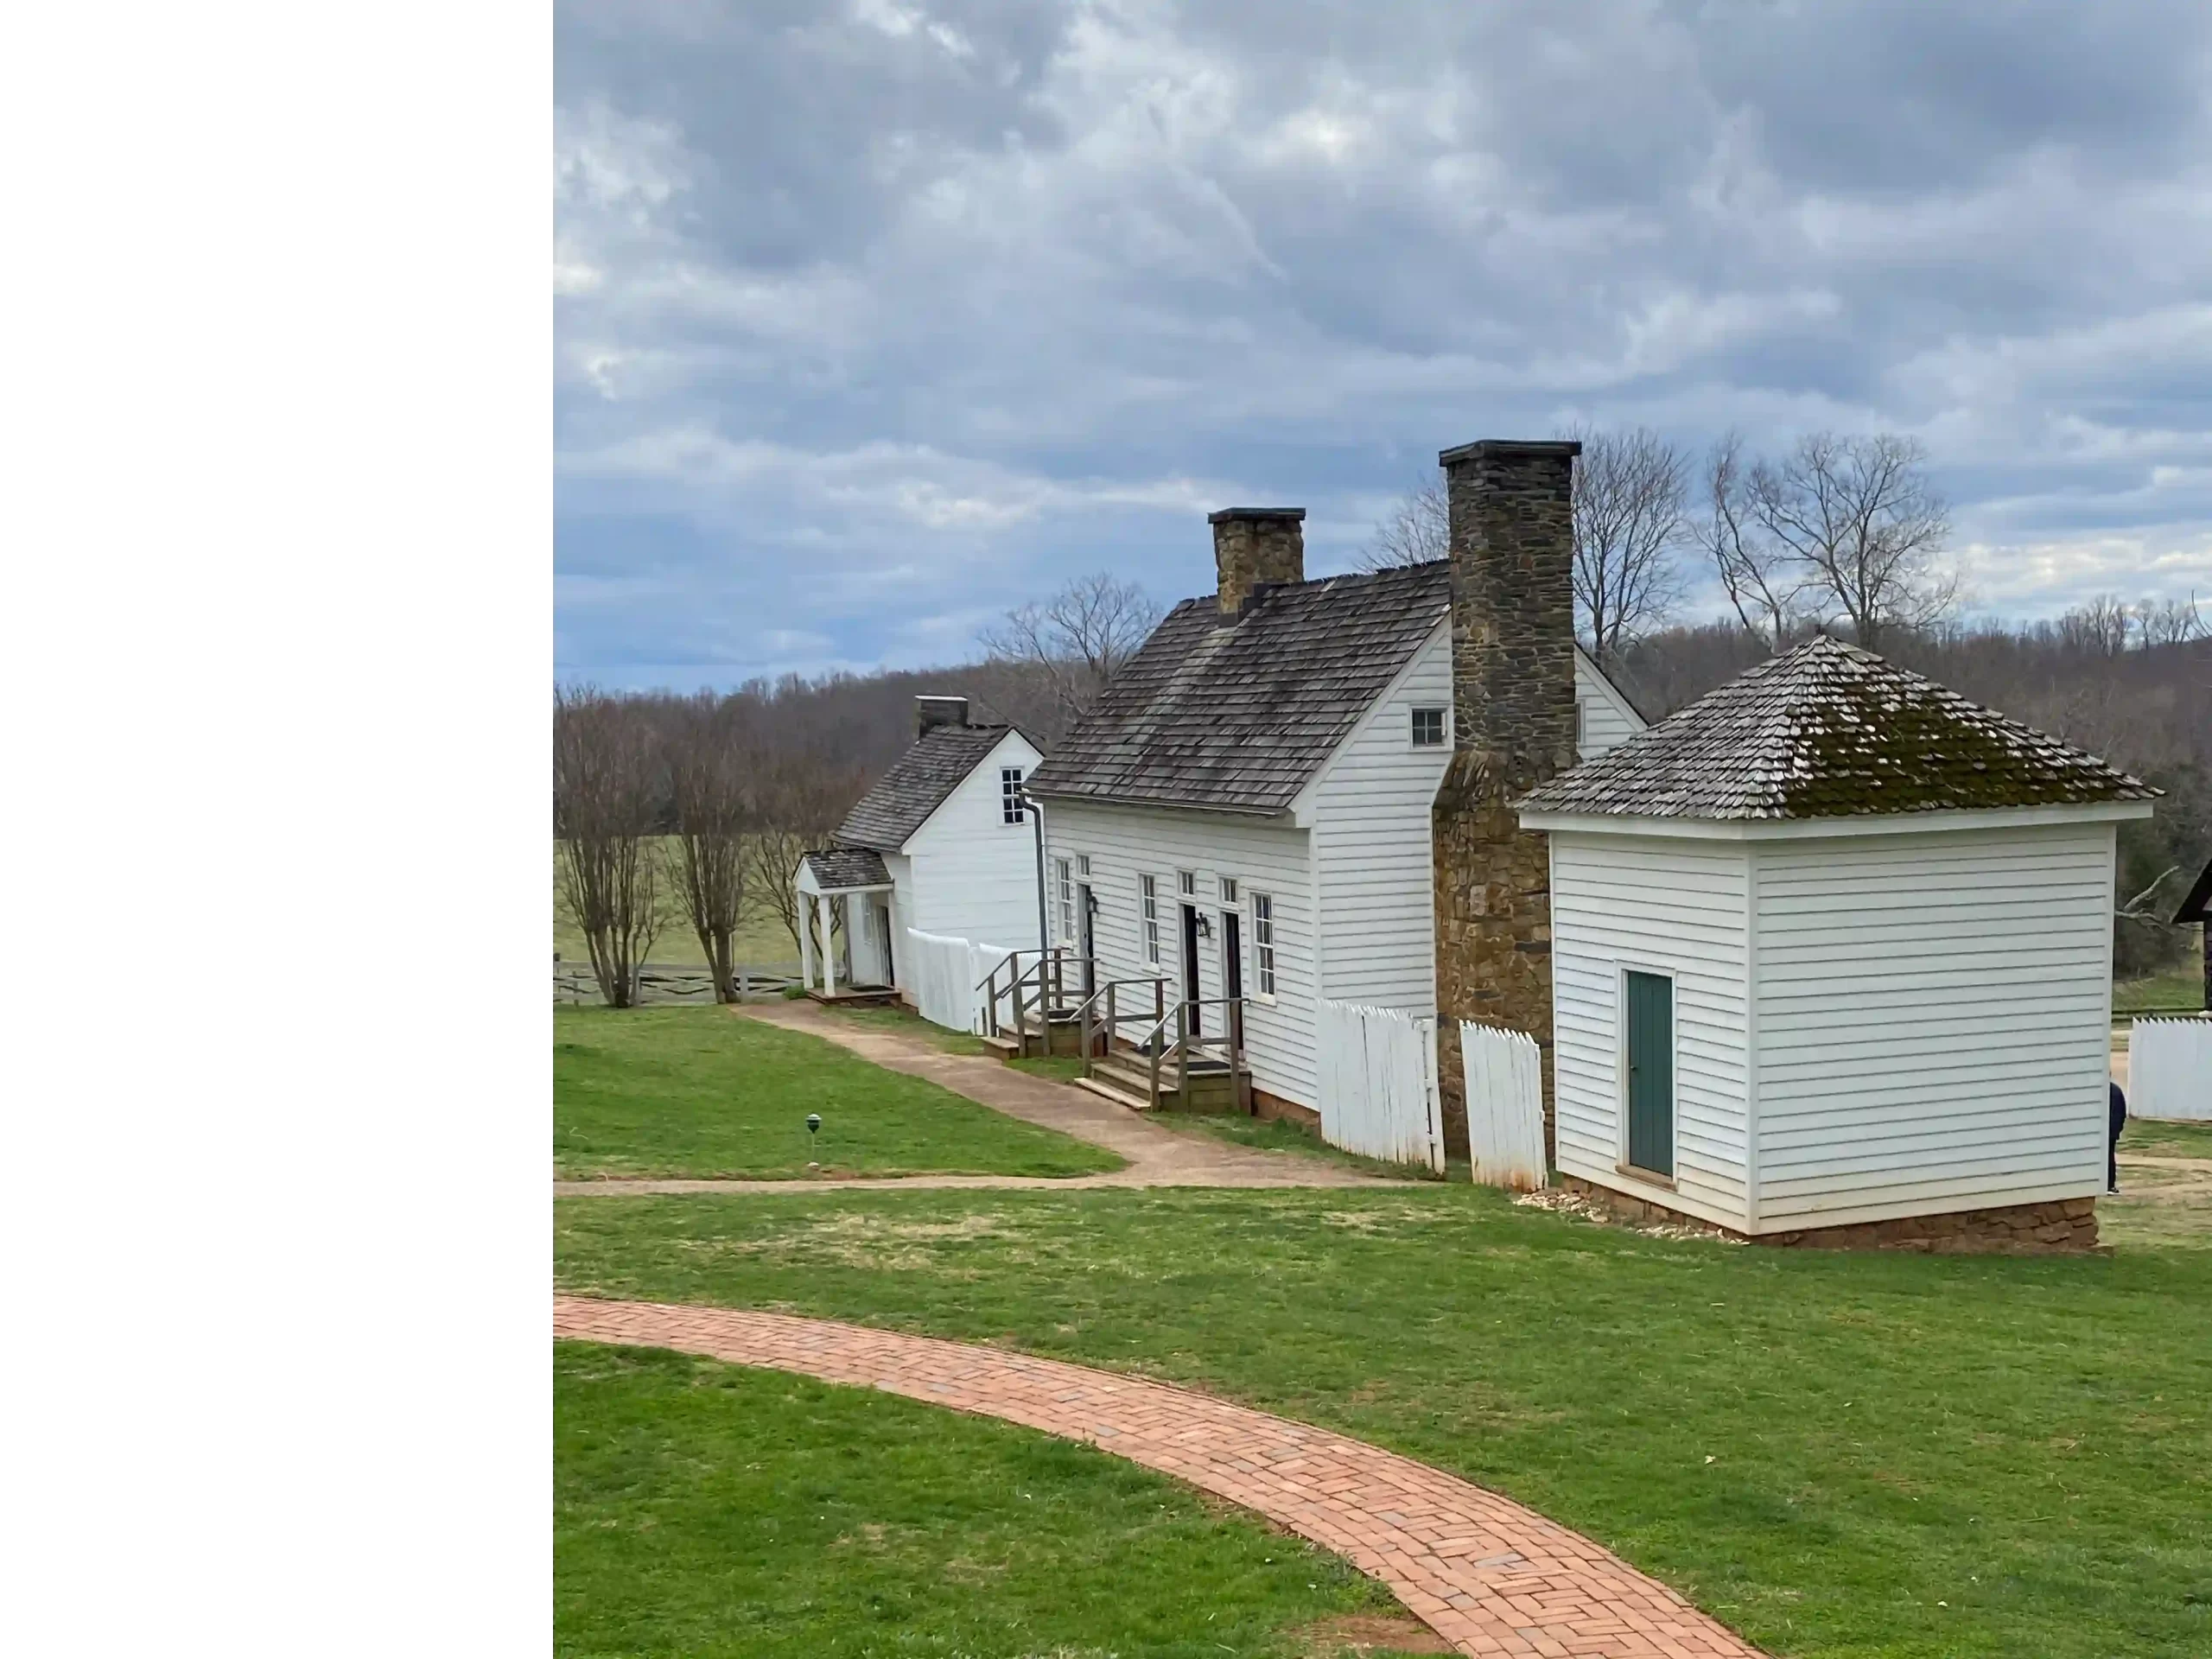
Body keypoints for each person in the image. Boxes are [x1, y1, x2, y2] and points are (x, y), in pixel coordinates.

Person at [2108, 1077, 2128, 1195]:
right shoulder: (2117, 1090)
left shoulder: (2101, 1091)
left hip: (2105, 1130)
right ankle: (2110, 1184)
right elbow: (2123, 1111)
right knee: (2110, 1156)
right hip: (2113, 1130)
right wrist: (2119, 1128)